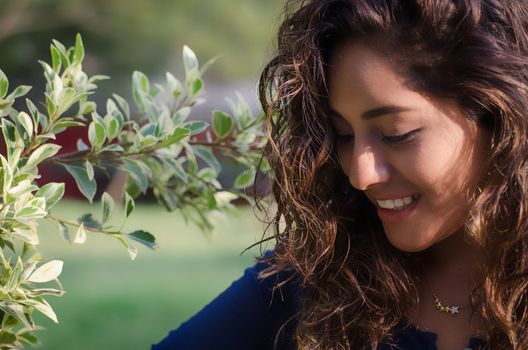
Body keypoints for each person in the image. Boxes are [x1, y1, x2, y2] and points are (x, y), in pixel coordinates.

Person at [152, 0, 528, 349]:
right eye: (344, 135)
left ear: (500, 116)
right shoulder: (325, 269)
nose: (360, 175)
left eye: (397, 134)